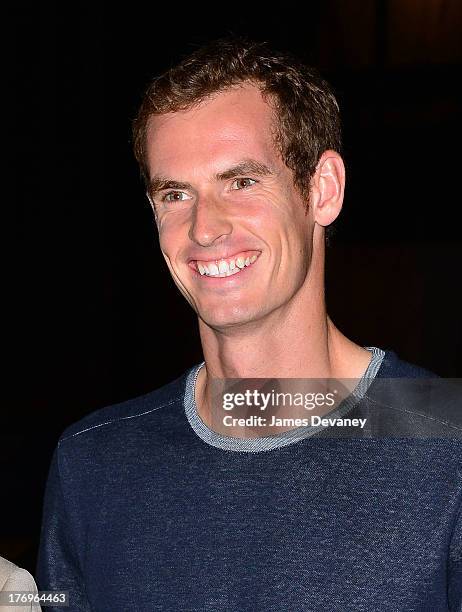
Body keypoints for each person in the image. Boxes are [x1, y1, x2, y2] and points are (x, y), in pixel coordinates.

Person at [37, 38, 461, 611]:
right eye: (175, 193)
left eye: (242, 181)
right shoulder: (94, 463)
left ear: (322, 190)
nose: (204, 227)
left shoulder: (446, 444)